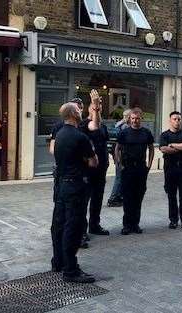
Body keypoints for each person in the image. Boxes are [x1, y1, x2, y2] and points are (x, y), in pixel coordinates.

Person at [51, 102, 98, 283]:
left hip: (61, 185)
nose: (81, 111)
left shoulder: (60, 134)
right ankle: (71, 270)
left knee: (59, 225)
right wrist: (89, 158)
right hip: (75, 186)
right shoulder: (80, 137)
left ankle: (58, 262)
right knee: (74, 228)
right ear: (72, 114)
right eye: (78, 110)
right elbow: (94, 162)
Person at [115, 108, 154, 235]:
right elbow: (117, 148)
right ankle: (126, 225)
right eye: (132, 118)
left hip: (141, 168)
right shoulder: (124, 133)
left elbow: (151, 148)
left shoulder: (146, 132)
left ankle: (135, 224)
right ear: (129, 119)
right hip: (127, 168)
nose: (135, 121)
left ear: (141, 119)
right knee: (127, 197)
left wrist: (149, 164)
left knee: (138, 196)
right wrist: (119, 164)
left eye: (137, 118)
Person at [159, 111, 182, 232]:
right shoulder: (164, 135)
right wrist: (180, 147)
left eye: (179, 119)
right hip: (170, 168)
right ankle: (173, 220)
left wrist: (173, 145)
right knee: (171, 195)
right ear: (170, 120)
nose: (177, 121)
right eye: (174, 119)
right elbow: (163, 149)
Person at [79, 90, 110, 236]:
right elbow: (94, 125)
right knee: (84, 200)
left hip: (101, 169)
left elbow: (105, 142)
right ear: (89, 108)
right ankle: (82, 231)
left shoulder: (103, 126)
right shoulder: (84, 124)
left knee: (98, 198)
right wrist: (96, 108)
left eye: (99, 107)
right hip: (88, 169)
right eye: (95, 107)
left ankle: (94, 225)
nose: (98, 109)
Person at [107, 109, 131, 207]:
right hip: (121, 155)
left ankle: (119, 197)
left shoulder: (118, 124)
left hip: (116, 155)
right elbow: (121, 145)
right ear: (129, 117)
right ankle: (113, 198)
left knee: (120, 177)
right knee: (119, 177)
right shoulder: (125, 127)